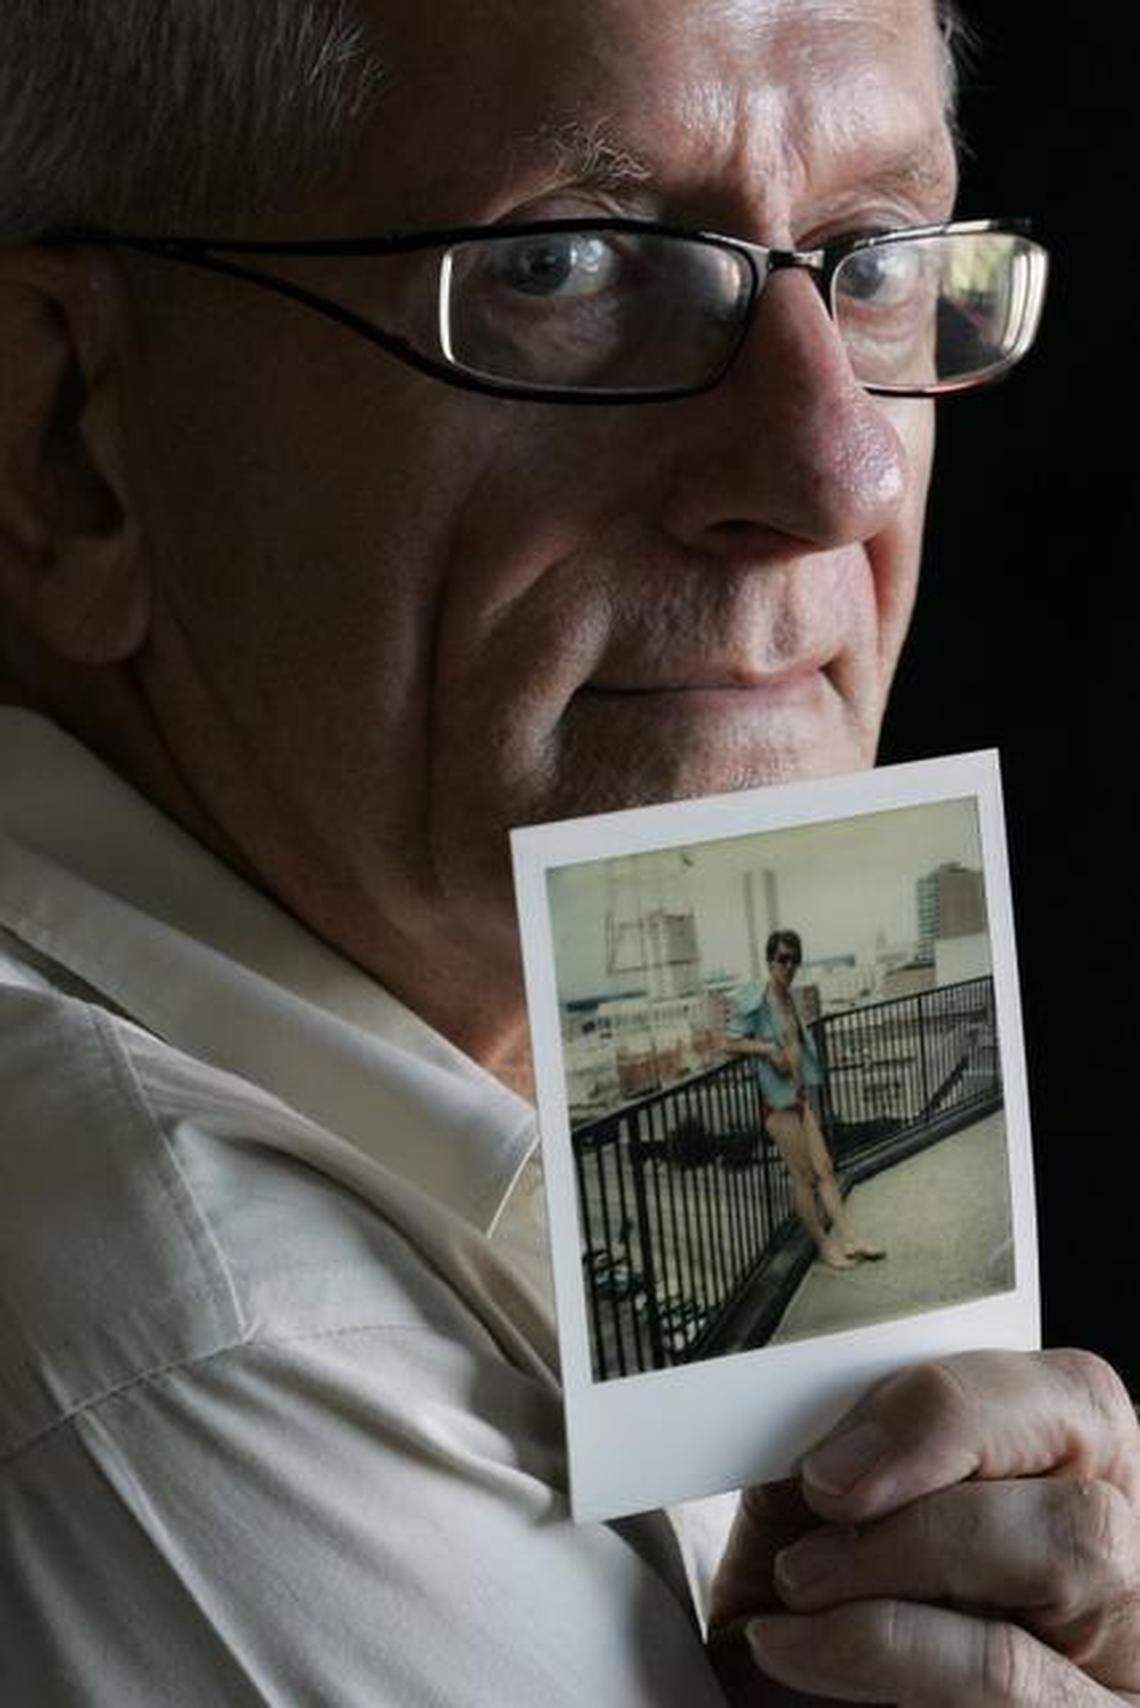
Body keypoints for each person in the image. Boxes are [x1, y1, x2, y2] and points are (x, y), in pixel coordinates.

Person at [0, 1, 1137, 1704]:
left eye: (875, 257)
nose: (839, 470)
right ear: (69, 440)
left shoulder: (472, 1041)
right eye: (567, 267)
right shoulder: (192, 1343)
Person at [723, 929, 885, 1271]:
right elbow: (730, 1042)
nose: (789, 966)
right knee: (804, 1177)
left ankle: (851, 1238)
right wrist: (767, 1049)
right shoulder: (758, 998)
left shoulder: (787, 998)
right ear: (770, 961)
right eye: (783, 959)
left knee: (824, 1168)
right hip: (777, 1105)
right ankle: (824, 1246)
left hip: (796, 1098)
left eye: (795, 960)